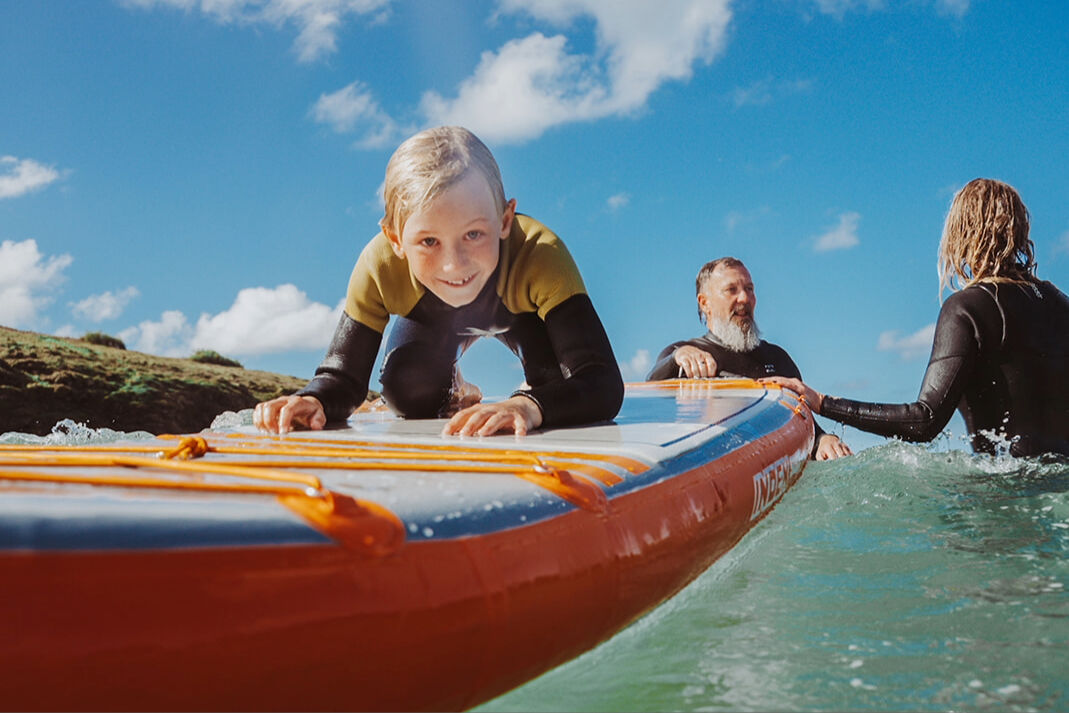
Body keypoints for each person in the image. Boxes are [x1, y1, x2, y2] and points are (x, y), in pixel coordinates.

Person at [254, 126, 624, 437]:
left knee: (553, 384)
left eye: (474, 234)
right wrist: (314, 399)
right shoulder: (379, 266)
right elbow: (343, 377)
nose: (453, 265)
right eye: (428, 241)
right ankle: (458, 385)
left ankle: (532, 388)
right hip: (430, 320)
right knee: (409, 395)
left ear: (505, 220)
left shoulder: (539, 253)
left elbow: (602, 383)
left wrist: (529, 405)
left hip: (521, 317)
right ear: (396, 238)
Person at [765, 178, 1069, 457]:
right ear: (1019, 231)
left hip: (1007, 497)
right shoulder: (1061, 303)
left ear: (962, 233)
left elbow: (925, 420)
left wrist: (822, 402)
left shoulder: (969, 307)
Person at [647, 257, 852, 461]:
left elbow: (803, 420)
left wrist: (823, 440)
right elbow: (650, 389)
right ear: (704, 303)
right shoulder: (684, 354)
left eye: (750, 289)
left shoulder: (778, 358)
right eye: (731, 290)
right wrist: (678, 357)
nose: (745, 298)